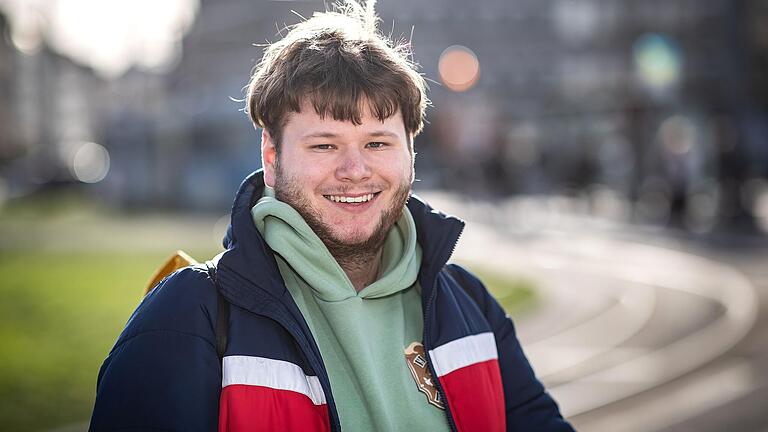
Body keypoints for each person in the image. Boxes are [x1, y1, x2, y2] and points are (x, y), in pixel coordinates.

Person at [89, 1, 574, 431]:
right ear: (272, 158)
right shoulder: (187, 317)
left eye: (378, 143)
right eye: (324, 144)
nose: (355, 171)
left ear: (411, 152)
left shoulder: (471, 307)